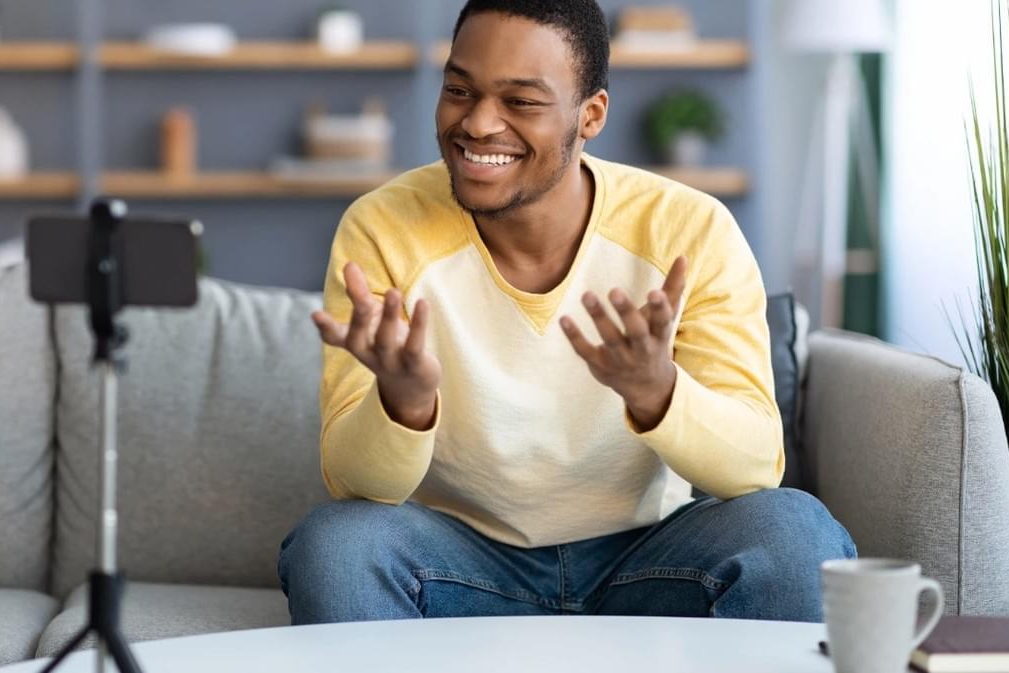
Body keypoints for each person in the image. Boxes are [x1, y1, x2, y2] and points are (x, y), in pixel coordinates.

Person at [278, 0, 855, 623]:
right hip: (460, 565)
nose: (477, 124)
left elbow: (754, 467)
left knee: (793, 531)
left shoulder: (689, 229)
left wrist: (658, 393)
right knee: (337, 546)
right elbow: (356, 487)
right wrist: (404, 404)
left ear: (591, 115)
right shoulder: (382, 228)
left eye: (521, 101)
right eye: (459, 90)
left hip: (651, 558)